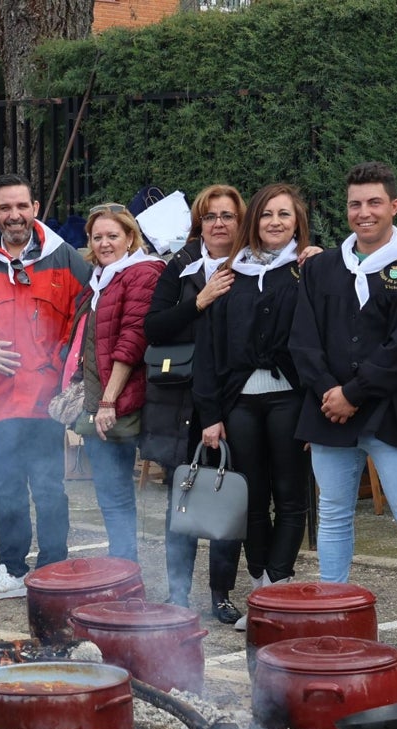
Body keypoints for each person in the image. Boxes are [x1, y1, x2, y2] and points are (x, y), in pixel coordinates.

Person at [288, 161, 397, 662]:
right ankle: (333, 610)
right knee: (334, 515)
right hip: (326, 406)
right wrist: (328, 392)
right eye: (356, 203)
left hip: (389, 410)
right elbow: (303, 339)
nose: (364, 212)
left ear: (394, 206)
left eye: (375, 202)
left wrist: (354, 392)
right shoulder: (320, 268)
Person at [0, 173, 91, 595]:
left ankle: (53, 566)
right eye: (5, 208)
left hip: (47, 400)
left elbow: (89, 316)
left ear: (35, 208)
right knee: (6, 487)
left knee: (48, 487)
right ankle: (12, 568)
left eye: (21, 206)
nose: (14, 215)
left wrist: (67, 366)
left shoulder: (65, 260)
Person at [196, 184, 315, 628]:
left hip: (290, 400)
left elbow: (318, 345)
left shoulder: (307, 271)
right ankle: (261, 582)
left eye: (285, 215)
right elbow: (209, 350)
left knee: (289, 495)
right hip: (239, 404)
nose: (275, 222)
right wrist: (210, 415)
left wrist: (314, 412)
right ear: (255, 222)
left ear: (297, 223)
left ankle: (277, 584)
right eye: (267, 214)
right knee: (249, 500)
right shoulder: (229, 274)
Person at [141, 185, 246, 622]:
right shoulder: (181, 266)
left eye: (227, 216)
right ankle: (178, 593)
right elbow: (154, 328)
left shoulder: (254, 265)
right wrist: (200, 302)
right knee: (180, 499)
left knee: (227, 501)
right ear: (198, 223)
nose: (218, 223)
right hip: (183, 399)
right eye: (210, 216)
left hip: (234, 398)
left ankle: (220, 593)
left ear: (241, 223)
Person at [71, 204, 163, 561]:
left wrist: (109, 401)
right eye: (98, 237)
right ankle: (120, 565)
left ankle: (125, 570)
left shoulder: (142, 273)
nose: (105, 243)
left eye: (113, 236)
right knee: (109, 491)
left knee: (118, 492)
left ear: (129, 238)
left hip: (122, 402)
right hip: (97, 401)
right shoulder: (99, 279)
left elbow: (132, 341)